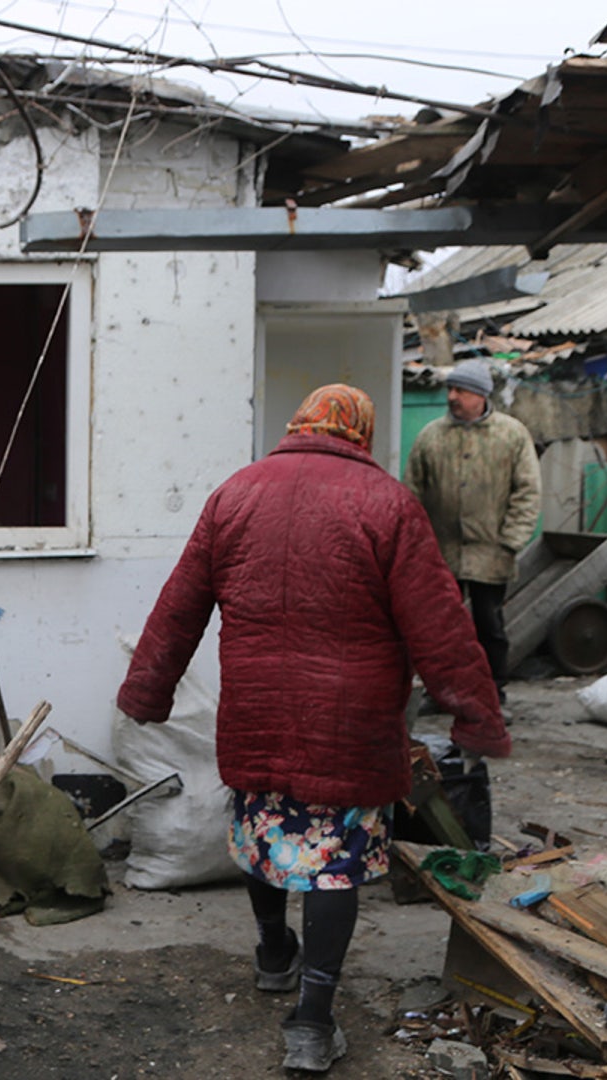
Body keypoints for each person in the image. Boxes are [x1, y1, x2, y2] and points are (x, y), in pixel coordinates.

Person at [117, 384, 509, 1073]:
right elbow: (439, 625)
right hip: (349, 722)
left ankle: (274, 955)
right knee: (333, 865)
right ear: (359, 431)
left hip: (257, 712)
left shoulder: (235, 494)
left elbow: (178, 606)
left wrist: (147, 691)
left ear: (300, 423)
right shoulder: (387, 504)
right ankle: (312, 1021)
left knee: (265, 834)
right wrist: (475, 714)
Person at [405, 358, 542, 699]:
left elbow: (528, 490)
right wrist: (418, 546)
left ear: (481, 395)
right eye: (451, 389)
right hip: (442, 552)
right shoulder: (431, 437)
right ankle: (444, 692)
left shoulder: (511, 434)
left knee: (489, 627)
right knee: (442, 628)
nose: (452, 396)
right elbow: (412, 494)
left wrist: (511, 540)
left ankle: (493, 695)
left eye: (461, 390)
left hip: (490, 552)